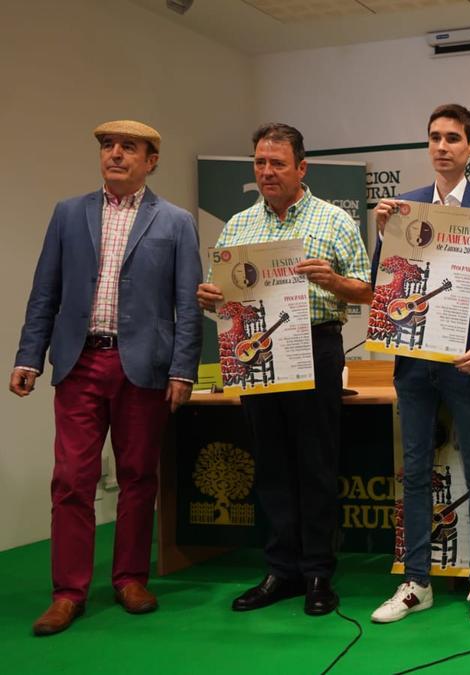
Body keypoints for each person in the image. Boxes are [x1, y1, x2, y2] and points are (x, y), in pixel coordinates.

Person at [12, 120, 202, 636]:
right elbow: (44, 290)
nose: (115, 155)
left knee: (139, 475)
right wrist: (29, 357)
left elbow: (188, 303)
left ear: (151, 159)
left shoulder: (177, 221)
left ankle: (130, 579)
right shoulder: (68, 214)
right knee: (72, 479)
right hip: (78, 362)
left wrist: (184, 367)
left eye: (128, 148)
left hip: (143, 365)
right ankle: (68, 592)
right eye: (107, 146)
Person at [196, 123, 372, 616]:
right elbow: (220, 295)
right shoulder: (237, 226)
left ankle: (318, 573)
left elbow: (368, 291)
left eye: (276, 163)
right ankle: (280, 570)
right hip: (254, 348)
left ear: (301, 168)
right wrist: (208, 296)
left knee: (315, 462)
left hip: (314, 345)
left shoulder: (334, 220)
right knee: (270, 462)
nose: (267, 171)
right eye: (259, 162)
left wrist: (334, 281)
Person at [368, 104, 470, 625]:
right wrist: (381, 234)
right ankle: (417, 581)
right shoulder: (405, 207)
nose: (442, 146)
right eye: (434, 137)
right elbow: (383, 285)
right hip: (414, 362)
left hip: (468, 362)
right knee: (414, 473)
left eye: (453, 138)